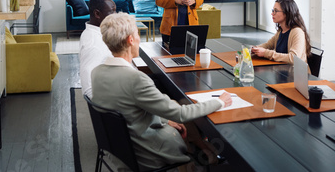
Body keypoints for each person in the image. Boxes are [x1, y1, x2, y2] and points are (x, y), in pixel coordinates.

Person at [91, 12, 232, 170]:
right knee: (181, 111)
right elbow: (181, 114)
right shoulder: (136, 79)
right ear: (130, 40)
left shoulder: (96, 72)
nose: (139, 38)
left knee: (172, 106)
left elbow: (128, 110)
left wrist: (164, 119)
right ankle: (195, 157)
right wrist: (219, 101)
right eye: (138, 34)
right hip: (145, 152)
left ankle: (201, 149)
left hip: (119, 150)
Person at [251, 0, 311, 64]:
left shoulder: (297, 32)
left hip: (296, 73)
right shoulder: (281, 31)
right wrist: (254, 49)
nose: (272, 13)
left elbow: (294, 58)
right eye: (273, 10)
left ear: (287, 13)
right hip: (282, 70)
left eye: (276, 11)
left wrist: (265, 53)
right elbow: (268, 45)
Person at [79, 0, 116, 98]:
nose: (115, 14)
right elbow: (88, 88)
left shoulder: (97, 34)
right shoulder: (93, 44)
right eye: (112, 11)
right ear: (97, 14)